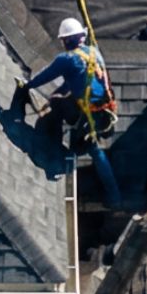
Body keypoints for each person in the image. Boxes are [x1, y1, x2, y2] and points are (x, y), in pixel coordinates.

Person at [16, 17, 122, 206]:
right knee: (94, 149)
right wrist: (58, 94)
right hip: (104, 112)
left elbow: (46, 76)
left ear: (67, 40)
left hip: (87, 115)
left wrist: (27, 85)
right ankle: (114, 195)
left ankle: (54, 162)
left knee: (59, 116)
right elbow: (76, 80)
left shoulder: (66, 59)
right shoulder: (93, 53)